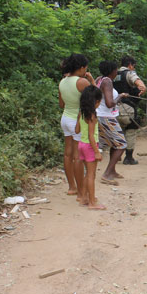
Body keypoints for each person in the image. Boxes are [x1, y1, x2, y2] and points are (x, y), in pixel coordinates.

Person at [58, 53, 95, 200]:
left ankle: (72, 187)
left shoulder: (63, 81)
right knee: (78, 157)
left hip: (65, 118)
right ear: (81, 68)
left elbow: (61, 104)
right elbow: (94, 100)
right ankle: (81, 192)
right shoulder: (82, 82)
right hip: (77, 120)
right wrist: (91, 80)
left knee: (67, 153)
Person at [95, 61, 129, 185]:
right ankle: (107, 173)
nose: (117, 73)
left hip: (101, 115)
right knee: (121, 144)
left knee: (114, 144)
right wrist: (120, 96)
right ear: (112, 71)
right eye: (116, 70)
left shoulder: (100, 79)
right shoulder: (107, 81)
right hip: (106, 117)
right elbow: (110, 103)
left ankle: (112, 171)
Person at [75, 86, 106, 210]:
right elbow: (91, 136)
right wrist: (97, 152)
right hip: (90, 146)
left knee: (87, 173)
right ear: (96, 102)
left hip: (81, 145)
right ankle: (92, 202)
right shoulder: (92, 115)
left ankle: (84, 198)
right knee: (91, 175)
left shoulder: (81, 113)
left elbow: (76, 130)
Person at [113, 56, 147, 165]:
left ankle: (115, 156)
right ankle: (128, 158)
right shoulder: (129, 73)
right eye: (134, 66)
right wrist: (142, 88)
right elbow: (140, 84)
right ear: (130, 65)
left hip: (113, 109)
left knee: (118, 133)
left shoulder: (113, 74)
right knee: (130, 132)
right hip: (127, 109)